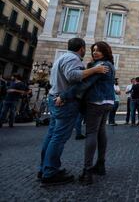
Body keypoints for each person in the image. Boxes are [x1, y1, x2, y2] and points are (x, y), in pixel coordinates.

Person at [38, 37, 108, 187]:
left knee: (51, 136)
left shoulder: (62, 57)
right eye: (90, 49)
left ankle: (44, 169)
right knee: (58, 138)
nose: (92, 52)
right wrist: (95, 69)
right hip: (64, 102)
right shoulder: (73, 58)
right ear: (82, 48)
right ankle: (50, 172)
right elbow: (73, 75)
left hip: (55, 98)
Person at [56, 41, 116, 185]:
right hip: (108, 102)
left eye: (99, 50)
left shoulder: (102, 66)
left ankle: (87, 171)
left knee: (91, 133)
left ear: (105, 51)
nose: (95, 52)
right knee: (101, 131)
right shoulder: (110, 65)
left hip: (96, 102)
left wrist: (63, 96)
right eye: (93, 50)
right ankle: (100, 165)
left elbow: (84, 84)